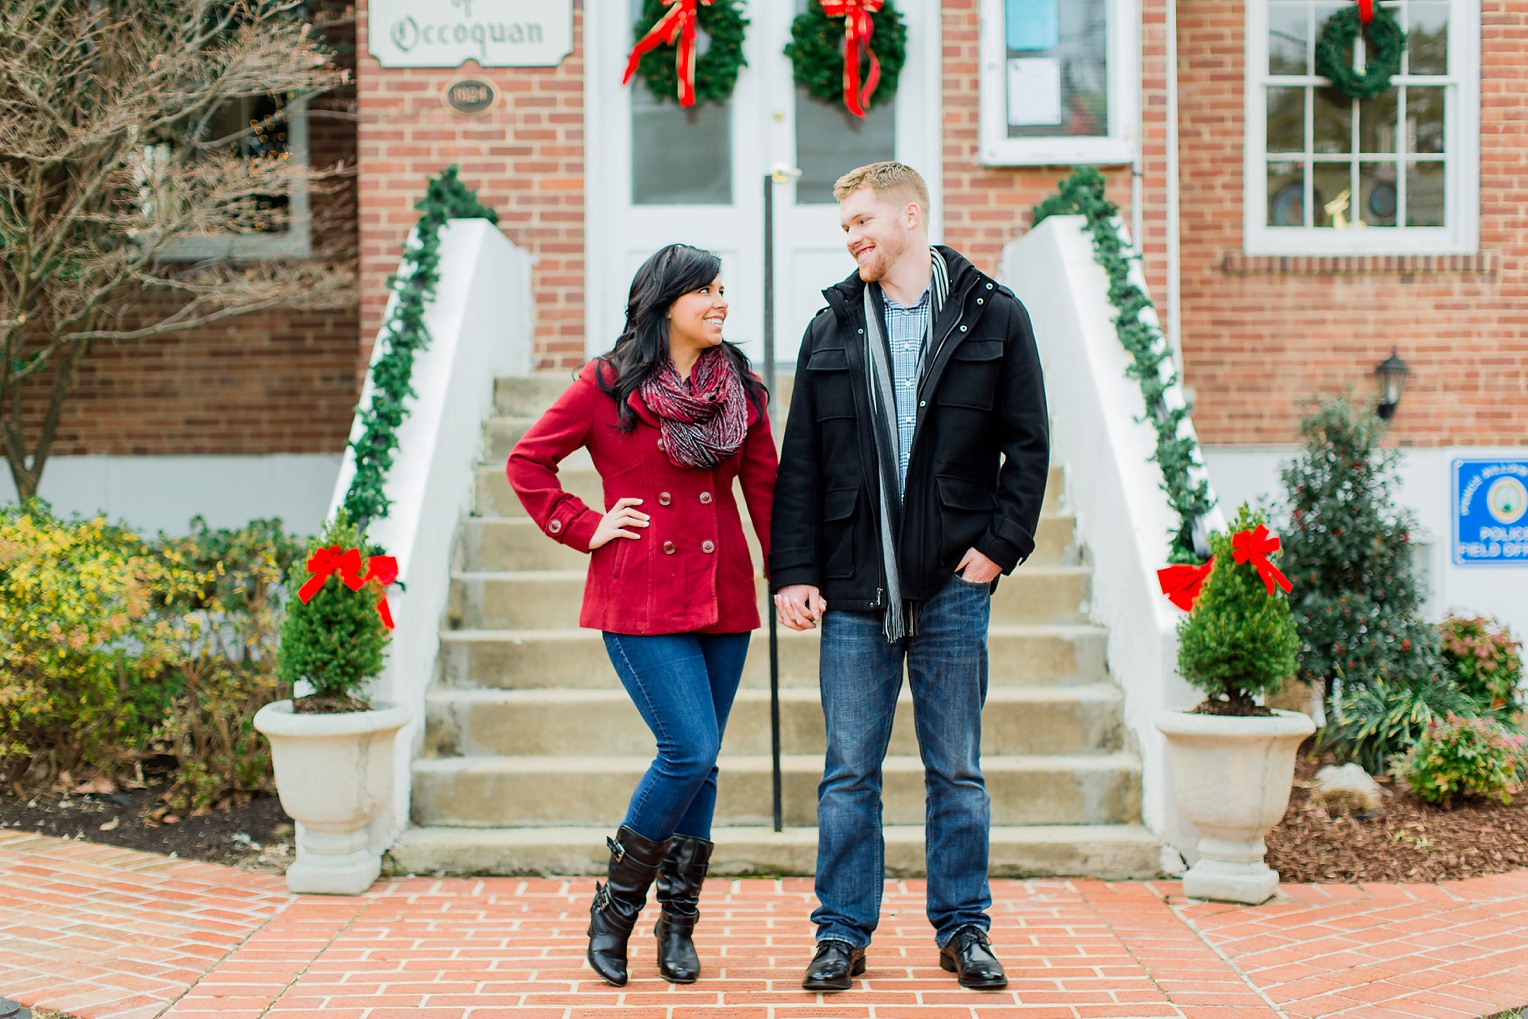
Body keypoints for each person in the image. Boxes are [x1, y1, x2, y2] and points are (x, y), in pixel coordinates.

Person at [769, 162, 1049, 993]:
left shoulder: (993, 316)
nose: (852, 237)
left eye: (862, 221)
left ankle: (964, 928)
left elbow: (1027, 446)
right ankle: (841, 932)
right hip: (854, 586)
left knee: (955, 767)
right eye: (845, 226)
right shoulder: (831, 329)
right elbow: (803, 466)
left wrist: (1000, 546)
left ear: (910, 215)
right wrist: (793, 571)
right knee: (848, 769)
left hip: (953, 583)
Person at [508, 244, 777, 987]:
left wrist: (792, 575)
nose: (720, 303)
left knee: (704, 763)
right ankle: (616, 907)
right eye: (705, 292)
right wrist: (581, 522)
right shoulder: (607, 384)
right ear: (663, 304)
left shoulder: (740, 390)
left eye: (724, 290)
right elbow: (529, 462)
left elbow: (766, 489)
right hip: (641, 592)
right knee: (687, 748)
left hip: (721, 593)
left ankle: (678, 922)